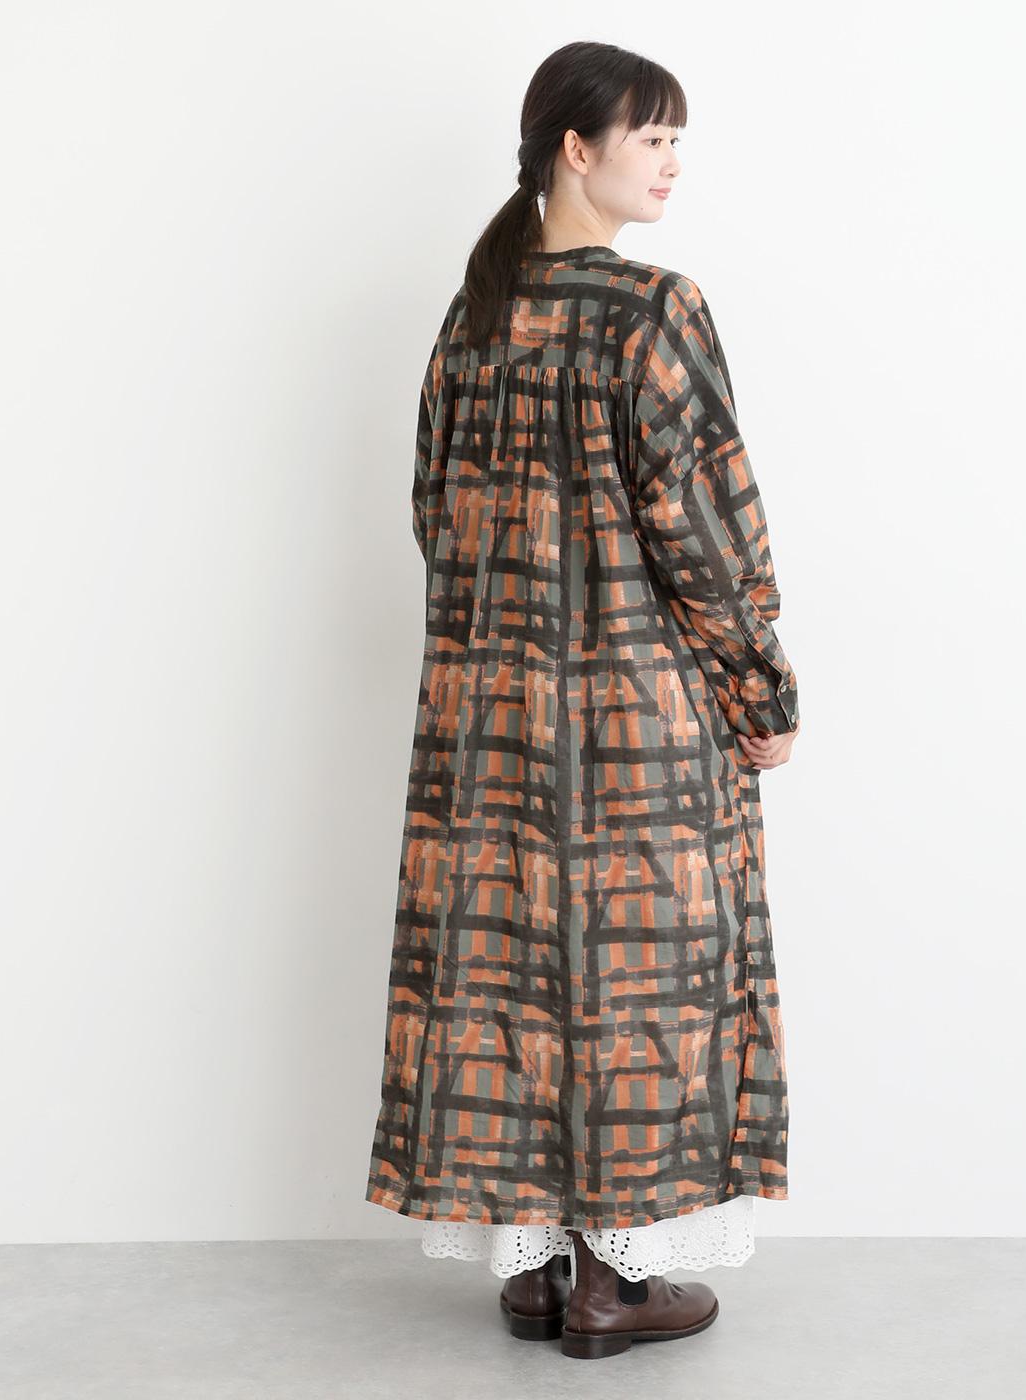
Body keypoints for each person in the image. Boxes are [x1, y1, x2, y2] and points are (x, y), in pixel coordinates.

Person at [365, 39, 801, 1361]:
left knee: (512, 972)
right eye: (652, 137)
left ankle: (537, 1277)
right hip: (637, 722)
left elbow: (436, 515)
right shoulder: (654, 311)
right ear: (576, 146)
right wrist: (760, 685)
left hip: (488, 726)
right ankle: (616, 1278)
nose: (671, 164)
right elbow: (706, 529)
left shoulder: (474, 314)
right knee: (640, 981)